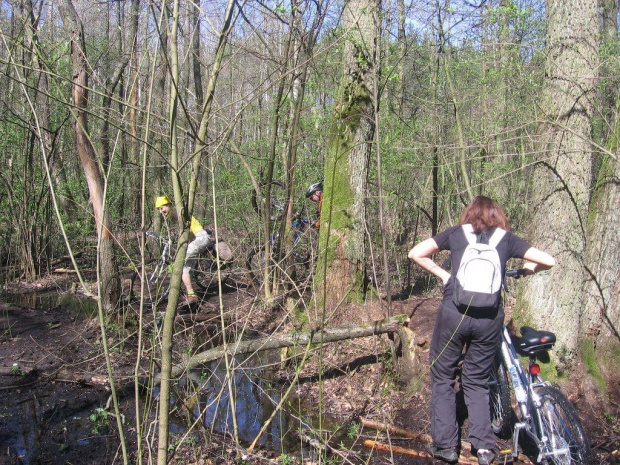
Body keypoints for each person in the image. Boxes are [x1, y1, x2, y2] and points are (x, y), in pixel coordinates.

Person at [407, 196, 555, 465]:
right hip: (490, 319)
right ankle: (485, 448)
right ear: (498, 216)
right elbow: (549, 260)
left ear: (469, 214)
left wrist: (445, 277)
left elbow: (415, 253)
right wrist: (528, 270)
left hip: (454, 314)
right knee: (476, 380)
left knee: (442, 377)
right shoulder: (506, 239)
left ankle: (446, 447)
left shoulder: (455, 233)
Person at [155, 195, 213, 305]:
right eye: (159, 210)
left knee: (179, 261)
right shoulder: (173, 216)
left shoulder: (179, 212)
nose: (161, 211)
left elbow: (187, 229)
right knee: (184, 269)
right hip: (193, 240)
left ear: (168, 205)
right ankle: (191, 295)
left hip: (200, 237)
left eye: (162, 208)